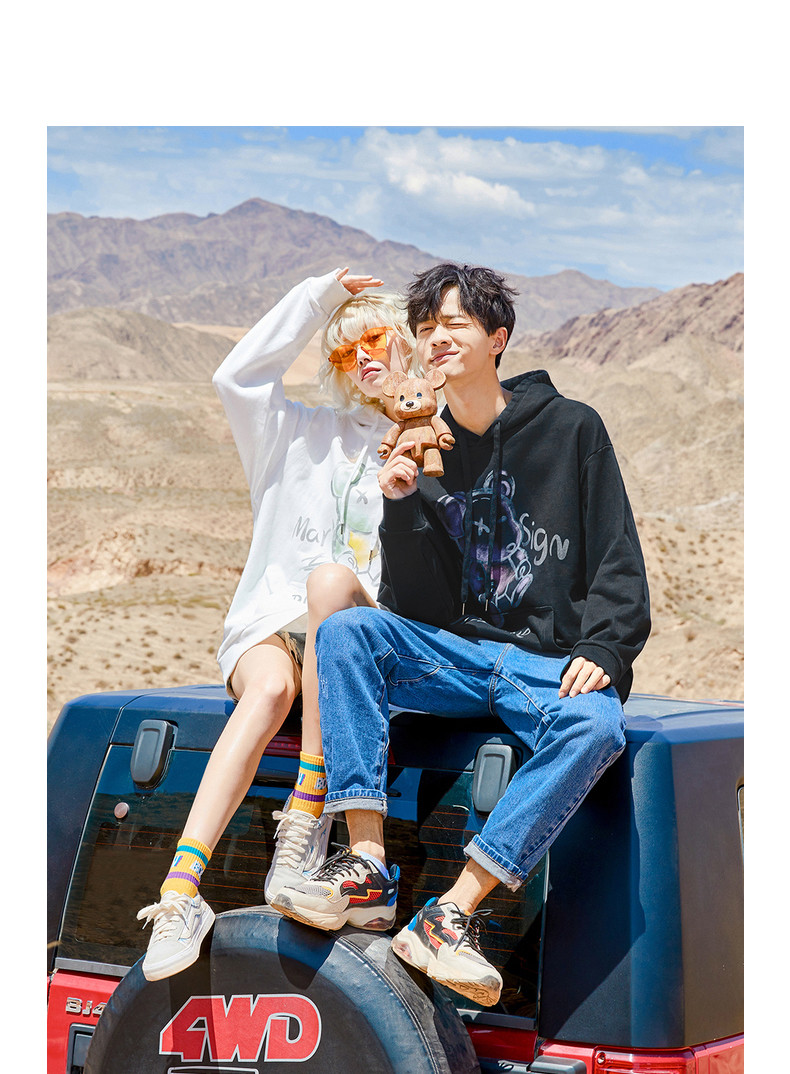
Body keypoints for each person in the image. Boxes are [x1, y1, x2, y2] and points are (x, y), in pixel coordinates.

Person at [271, 263, 651, 1008]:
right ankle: (367, 867)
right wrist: (402, 505)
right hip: (458, 655)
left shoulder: (573, 429)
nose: (436, 338)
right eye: (425, 328)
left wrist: (605, 648)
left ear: (497, 338)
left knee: (597, 725)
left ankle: (450, 913)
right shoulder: (417, 443)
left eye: (454, 323)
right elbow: (414, 605)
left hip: (545, 661)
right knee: (347, 633)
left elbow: (617, 555)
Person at [136, 266, 417, 981]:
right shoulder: (294, 430)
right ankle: (179, 895)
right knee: (265, 691)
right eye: (346, 350)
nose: (363, 358)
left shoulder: (428, 444)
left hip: (358, 635)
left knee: (330, 586)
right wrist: (318, 297)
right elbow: (237, 376)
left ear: (409, 341)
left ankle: (307, 810)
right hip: (268, 624)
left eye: (376, 339)